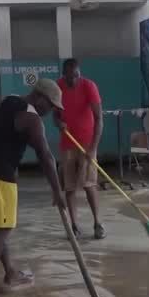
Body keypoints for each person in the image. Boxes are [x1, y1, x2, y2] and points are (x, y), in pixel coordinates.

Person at [0, 79, 66, 293]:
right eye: (50, 106)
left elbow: (6, 133)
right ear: (39, 97)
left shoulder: (10, 100)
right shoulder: (32, 119)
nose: (50, 111)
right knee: (3, 227)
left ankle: (10, 272)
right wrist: (57, 191)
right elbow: (46, 157)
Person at [55, 58, 105, 239]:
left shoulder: (89, 86)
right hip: (68, 143)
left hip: (87, 143)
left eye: (76, 76)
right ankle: (74, 226)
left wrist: (93, 149)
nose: (73, 80)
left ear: (79, 73)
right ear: (63, 75)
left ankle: (98, 223)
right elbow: (55, 116)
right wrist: (58, 123)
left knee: (89, 184)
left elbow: (99, 119)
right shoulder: (58, 87)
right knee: (69, 187)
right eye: (70, 78)